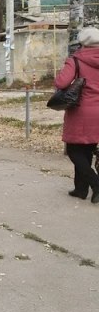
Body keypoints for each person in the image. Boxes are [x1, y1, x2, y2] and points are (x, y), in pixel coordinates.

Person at [55, 27, 99, 204]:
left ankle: (96, 184)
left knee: (74, 150)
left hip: (82, 111)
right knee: (87, 148)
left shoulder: (76, 60)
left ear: (82, 42)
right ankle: (81, 189)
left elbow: (61, 82)